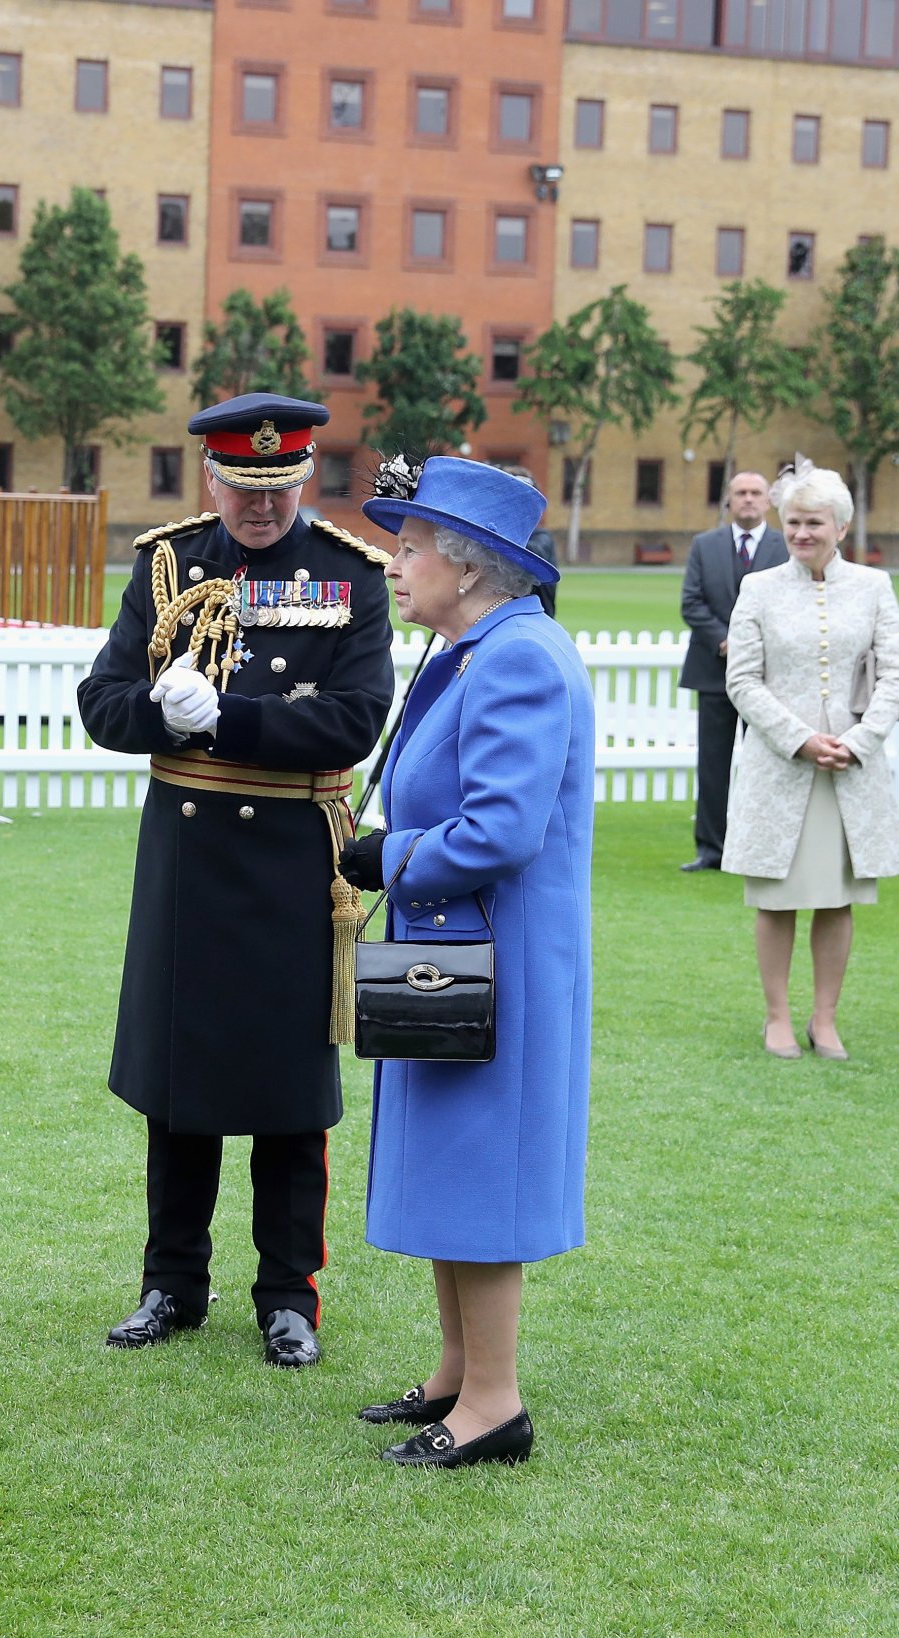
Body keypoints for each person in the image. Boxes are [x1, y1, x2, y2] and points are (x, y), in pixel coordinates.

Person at [73, 393, 396, 1371]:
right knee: (179, 1089)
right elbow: (101, 700)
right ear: (210, 479)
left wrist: (227, 719)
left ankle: (287, 1293)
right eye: (243, 490)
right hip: (187, 857)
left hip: (291, 859)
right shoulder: (166, 565)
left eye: (279, 488)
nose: (260, 508)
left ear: (302, 478)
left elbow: (352, 719)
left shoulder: (347, 576)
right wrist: (160, 716)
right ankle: (170, 1280)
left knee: (291, 1093)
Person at [335, 455, 594, 1468]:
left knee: (482, 1175)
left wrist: (386, 853)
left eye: (409, 547)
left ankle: (493, 1403)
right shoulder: (475, 648)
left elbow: (499, 829)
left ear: (471, 565)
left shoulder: (518, 657)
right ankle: (454, 1368)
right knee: (448, 1162)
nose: (394, 566)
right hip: (451, 949)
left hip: (497, 956)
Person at [720, 469, 899, 1060]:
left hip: (850, 766)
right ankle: (777, 1017)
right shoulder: (759, 589)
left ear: (842, 527)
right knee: (776, 895)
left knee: (835, 896)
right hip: (779, 765)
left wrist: (861, 739)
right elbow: (742, 680)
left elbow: (896, 672)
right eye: (794, 522)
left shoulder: (875, 586)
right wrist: (800, 738)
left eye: (814, 523)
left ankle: (824, 1018)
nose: (802, 533)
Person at [678, 470, 783, 871]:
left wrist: (754, 645)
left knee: (768, 765)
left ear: (768, 501)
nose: (748, 500)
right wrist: (727, 640)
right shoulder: (705, 545)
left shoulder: (785, 546)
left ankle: (765, 847)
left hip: (770, 676)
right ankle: (711, 849)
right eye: (740, 493)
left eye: (756, 493)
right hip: (714, 671)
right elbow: (691, 603)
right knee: (713, 764)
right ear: (729, 500)